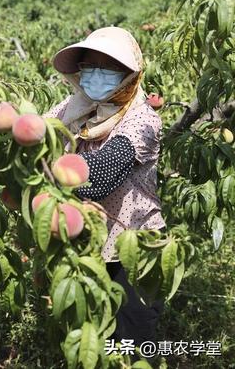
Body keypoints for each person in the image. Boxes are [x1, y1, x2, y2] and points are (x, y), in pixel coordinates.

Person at [45, 27, 165, 347]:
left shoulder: (144, 120)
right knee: (95, 336)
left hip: (134, 246)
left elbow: (98, 176)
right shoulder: (77, 108)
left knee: (134, 339)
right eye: (89, 68)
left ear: (129, 74)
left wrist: (41, 172)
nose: (96, 76)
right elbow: (37, 132)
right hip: (90, 242)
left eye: (108, 69)